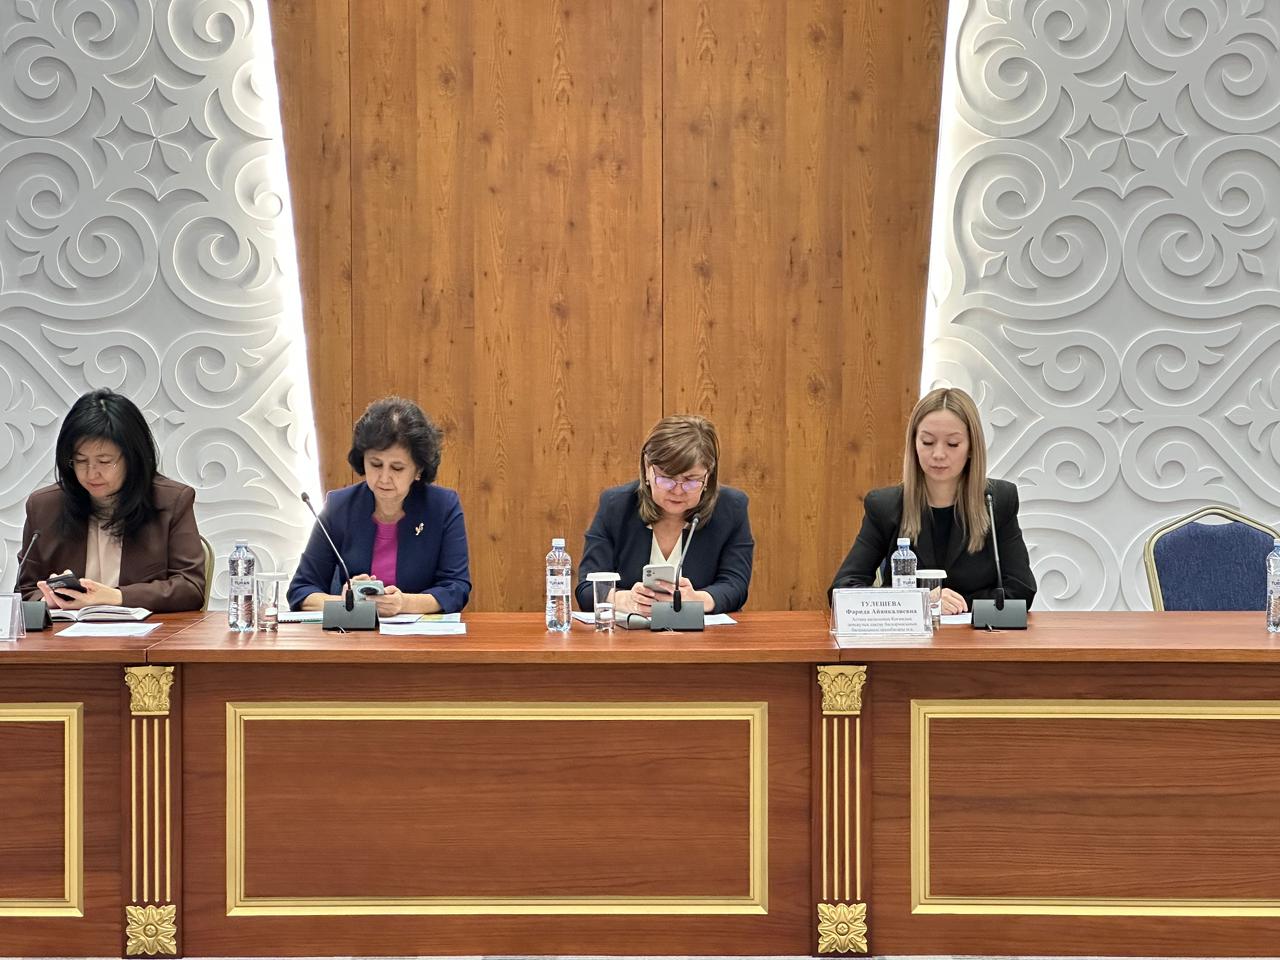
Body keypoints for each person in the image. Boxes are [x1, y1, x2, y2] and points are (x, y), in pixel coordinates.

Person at [829, 386, 1036, 613]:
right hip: (909, 635)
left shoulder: (997, 502)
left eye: (952, 444)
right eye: (927, 442)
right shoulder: (885, 506)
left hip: (975, 633)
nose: (938, 454)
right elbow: (842, 590)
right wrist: (923, 601)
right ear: (914, 444)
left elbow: (1021, 590)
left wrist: (960, 605)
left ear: (971, 448)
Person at [15, 389, 206, 612]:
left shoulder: (171, 501)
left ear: (132, 458)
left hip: (146, 633)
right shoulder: (44, 506)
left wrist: (115, 597)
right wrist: (47, 600)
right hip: (67, 632)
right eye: (80, 461)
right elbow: (24, 591)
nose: (91, 473)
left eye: (104, 461)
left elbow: (191, 588)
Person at [288, 397, 470, 614]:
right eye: (375, 464)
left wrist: (404, 604)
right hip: (353, 633)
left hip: (418, 633)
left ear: (419, 469)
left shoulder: (443, 507)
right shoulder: (339, 507)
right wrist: (345, 602)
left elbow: (456, 588)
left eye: (397, 468)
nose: (384, 478)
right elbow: (301, 590)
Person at [576, 415, 754, 615]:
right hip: (631, 632)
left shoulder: (731, 508)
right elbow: (587, 588)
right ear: (647, 468)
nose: (677, 491)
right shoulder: (616, 506)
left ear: (708, 476)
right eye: (666, 479)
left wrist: (698, 600)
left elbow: (735, 585)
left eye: (691, 481)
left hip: (705, 633)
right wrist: (622, 599)